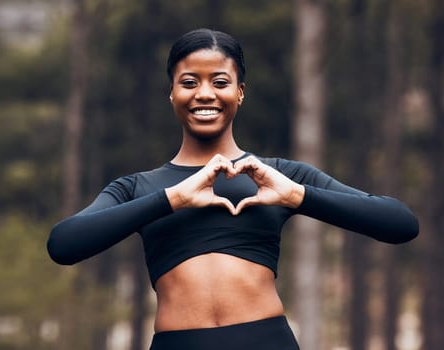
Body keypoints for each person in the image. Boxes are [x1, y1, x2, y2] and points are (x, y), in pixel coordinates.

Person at [47, 28, 419, 350]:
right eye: (189, 82)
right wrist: (173, 198)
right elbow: (63, 245)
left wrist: (296, 196)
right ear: (172, 94)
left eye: (220, 82)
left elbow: (400, 223)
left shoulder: (279, 176)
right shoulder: (137, 187)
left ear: (239, 93)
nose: (204, 94)